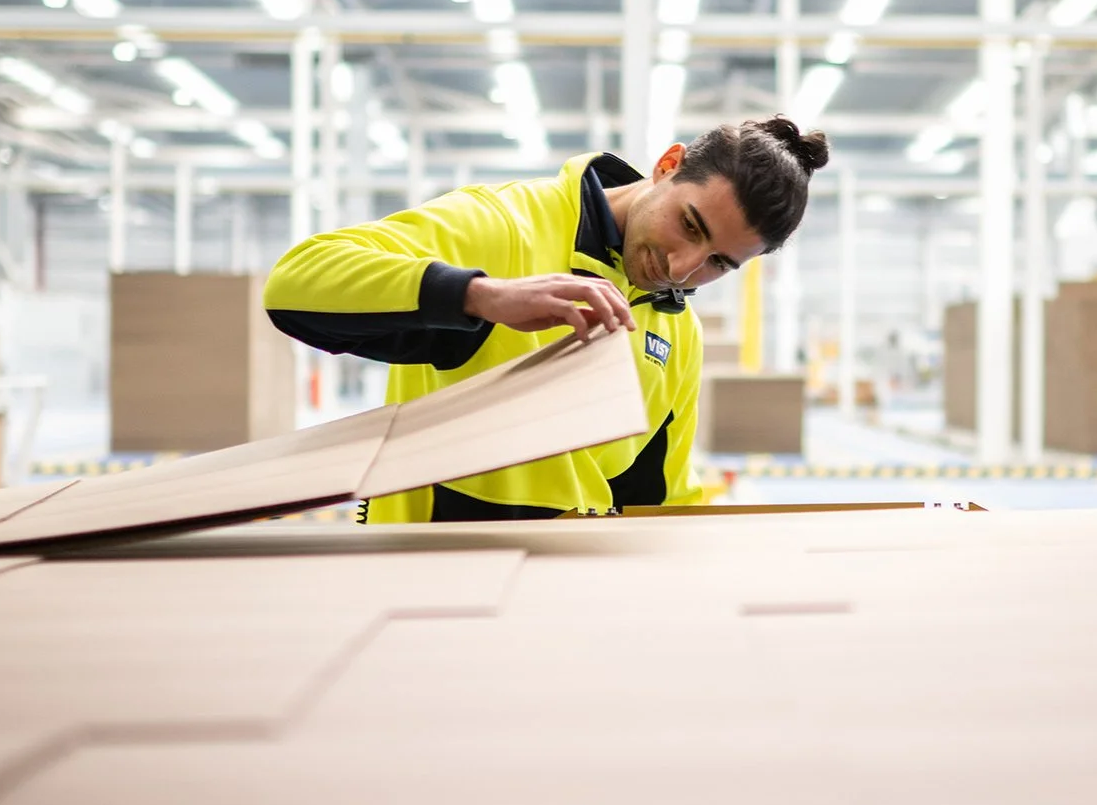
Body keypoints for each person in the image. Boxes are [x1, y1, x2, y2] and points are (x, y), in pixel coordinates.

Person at [264, 115, 830, 522]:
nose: (682, 269)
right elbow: (295, 283)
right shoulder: (505, 226)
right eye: (690, 226)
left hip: (561, 589)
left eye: (718, 263)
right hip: (423, 566)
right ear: (667, 166)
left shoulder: (676, 330)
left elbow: (657, 494)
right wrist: (480, 295)